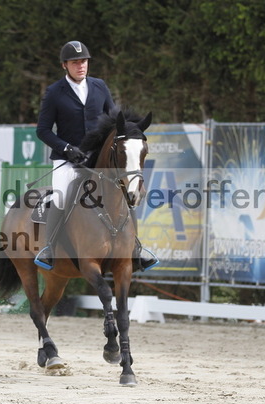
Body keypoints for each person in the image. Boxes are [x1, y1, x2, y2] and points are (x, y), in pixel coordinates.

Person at [34, 40, 158, 272]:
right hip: (67, 159)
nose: (80, 66)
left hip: (96, 158)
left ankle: (136, 248)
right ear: (64, 65)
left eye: (83, 61)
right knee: (61, 196)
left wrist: (130, 131)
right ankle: (49, 249)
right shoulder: (54, 92)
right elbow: (42, 130)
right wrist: (66, 148)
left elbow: (115, 120)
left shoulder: (99, 86)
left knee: (124, 193)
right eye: (75, 62)